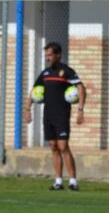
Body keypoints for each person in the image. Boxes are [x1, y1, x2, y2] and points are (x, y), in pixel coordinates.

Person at [25, 42, 87, 191]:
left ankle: (73, 181)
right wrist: (27, 109)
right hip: (48, 115)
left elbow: (81, 88)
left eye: (50, 55)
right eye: (46, 55)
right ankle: (58, 181)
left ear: (58, 55)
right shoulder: (45, 74)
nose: (47, 58)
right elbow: (34, 92)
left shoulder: (66, 71)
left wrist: (80, 110)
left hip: (62, 115)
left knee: (63, 146)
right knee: (53, 146)